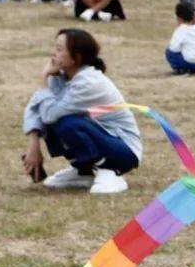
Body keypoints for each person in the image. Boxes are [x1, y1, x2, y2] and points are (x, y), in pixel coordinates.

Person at [22, 29, 141, 195]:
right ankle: (82, 170)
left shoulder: (88, 82)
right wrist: (33, 145)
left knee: (67, 123)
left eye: (59, 49)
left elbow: (49, 114)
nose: (53, 54)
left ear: (76, 58)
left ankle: (109, 170)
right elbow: (35, 107)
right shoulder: (60, 76)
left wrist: (43, 78)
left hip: (123, 151)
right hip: (103, 139)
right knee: (55, 117)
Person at [166, 2, 195, 75]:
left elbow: (174, 48)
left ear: (178, 18)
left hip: (188, 62)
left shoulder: (181, 30)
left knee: (169, 52)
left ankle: (181, 69)